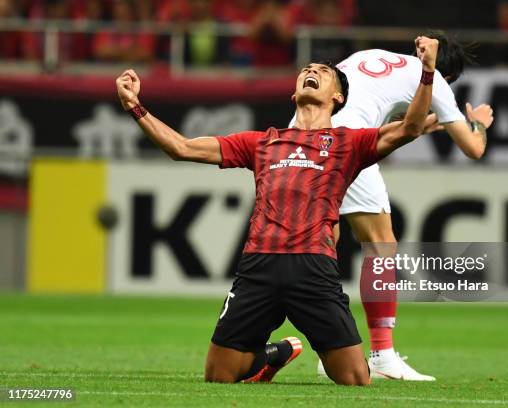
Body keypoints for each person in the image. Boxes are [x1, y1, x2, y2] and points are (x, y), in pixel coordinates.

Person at [116, 35, 441, 385]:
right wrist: (135, 107)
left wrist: (427, 71)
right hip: (259, 267)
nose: (311, 71)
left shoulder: (350, 142)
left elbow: (409, 127)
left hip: (314, 270)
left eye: (322, 71)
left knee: (355, 379)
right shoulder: (261, 142)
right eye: (306, 69)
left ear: (338, 97)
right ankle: (276, 353)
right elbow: (180, 148)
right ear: (294, 92)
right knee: (218, 376)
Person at [289, 31, 494, 381]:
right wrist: (479, 123)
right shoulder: (433, 79)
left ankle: (329, 350)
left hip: (301, 132)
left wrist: (427, 124)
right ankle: (382, 354)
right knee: (381, 246)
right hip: (345, 140)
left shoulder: (373, 58)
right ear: (447, 78)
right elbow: (473, 148)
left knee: (321, 244)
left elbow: (376, 112)